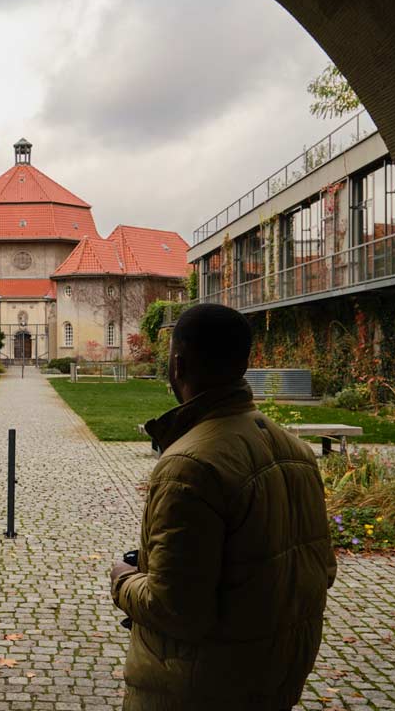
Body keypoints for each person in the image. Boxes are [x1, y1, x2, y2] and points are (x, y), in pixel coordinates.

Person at [109, 303, 336, 711]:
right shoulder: (297, 451)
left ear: (177, 365)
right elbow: (321, 571)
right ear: (244, 364)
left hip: (198, 686)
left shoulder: (190, 465)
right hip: (273, 675)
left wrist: (124, 579)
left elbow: (177, 610)